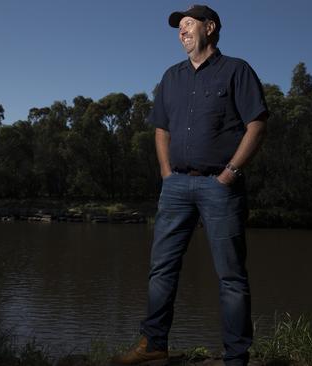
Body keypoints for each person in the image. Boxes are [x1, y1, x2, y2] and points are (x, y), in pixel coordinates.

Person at [112, 5, 268, 366]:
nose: (181, 32)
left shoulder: (237, 70)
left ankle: (236, 357)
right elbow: (161, 128)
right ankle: (154, 344)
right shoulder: (171, 76)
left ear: (209, 28)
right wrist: (166, 172)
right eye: (178, 28)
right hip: (176, 186)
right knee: (161, 268)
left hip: (220, 186)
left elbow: (257, 125)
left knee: (230, 275)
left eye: (187, 24)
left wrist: (230, 172)